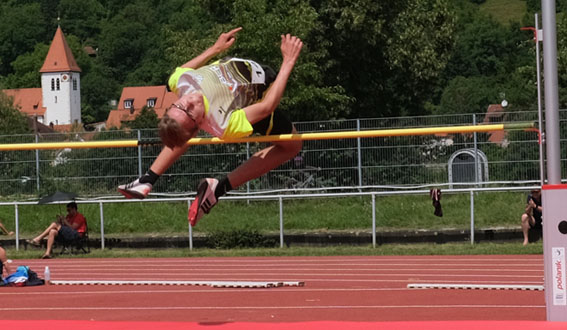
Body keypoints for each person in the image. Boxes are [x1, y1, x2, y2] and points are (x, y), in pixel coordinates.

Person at [118, 27, 303, 226]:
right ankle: (219, 188)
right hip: (259, 92)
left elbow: (183, 70)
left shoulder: (180, 84)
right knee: (293, 146)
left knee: (178, 128)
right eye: (189, 109)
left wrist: (215, 48)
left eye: (179, 104)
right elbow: (267, 107)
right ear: (198, 124)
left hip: (240, 66)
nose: (189, 100)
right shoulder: (224, 123)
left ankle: (147, 179)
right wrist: (288, 61)